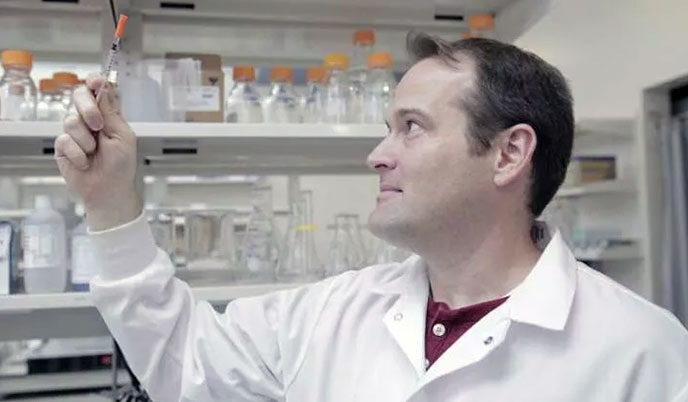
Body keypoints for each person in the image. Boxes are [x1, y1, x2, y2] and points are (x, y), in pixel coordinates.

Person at [56, 33, 688, 401]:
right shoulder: (330, 314)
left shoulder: (641, 351)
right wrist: (109, 202)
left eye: (410, 128)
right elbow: (184, 357)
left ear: (509, 154)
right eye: (387, 129)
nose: (377, 155)